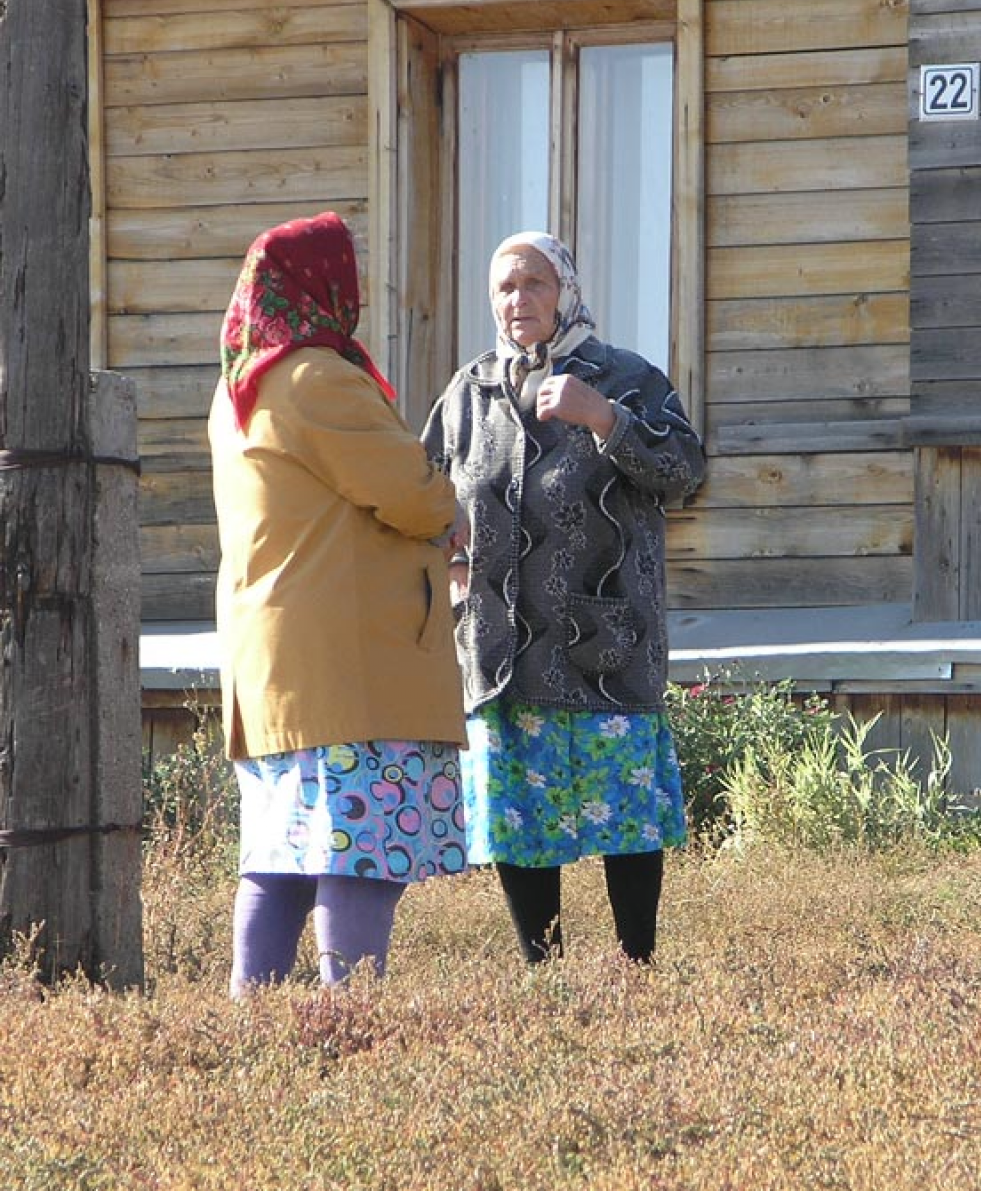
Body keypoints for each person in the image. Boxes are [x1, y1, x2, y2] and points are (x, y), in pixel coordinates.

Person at [423, 231, 705, 965]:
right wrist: (450, 572)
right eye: (506, 288)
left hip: (604, 648)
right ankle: (541, 973)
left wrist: (602, 418)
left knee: (629, 819)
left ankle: (635, 969)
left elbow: (683, 471)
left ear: (567, 291)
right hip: (504, 650)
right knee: (518, 817)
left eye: (535, 284)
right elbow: (422, 494)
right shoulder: (469, 393)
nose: (519, 301)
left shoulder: (625, 377)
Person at [209, 212, 470, 996]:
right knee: (363, 849)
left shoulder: (240, 388)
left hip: (282, 661)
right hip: (348, 660)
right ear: (322, 286)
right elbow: (411, 495)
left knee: (280, 857)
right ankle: (348, 1015)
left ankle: (251, 1021)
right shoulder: (317, 376)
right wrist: (450, 507)